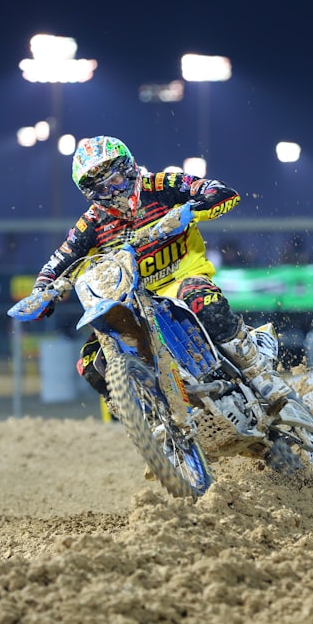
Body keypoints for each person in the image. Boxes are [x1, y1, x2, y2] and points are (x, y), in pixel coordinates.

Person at [27, 135, 290, 419]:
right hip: (134, 299)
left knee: (203, 302)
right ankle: (148, 422)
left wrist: (191, 210)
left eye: (115, 181)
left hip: (182, 278)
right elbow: (60, 259)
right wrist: (43, 290)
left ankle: (257, 372)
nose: (112, 192)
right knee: (91, 363)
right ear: (90, 195)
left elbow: (223, 192)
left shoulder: (163, 185)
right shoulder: (91, 222)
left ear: (128, 169)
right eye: (101, 189)